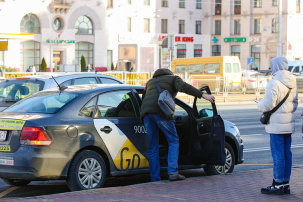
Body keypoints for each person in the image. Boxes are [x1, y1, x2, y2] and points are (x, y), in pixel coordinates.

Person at [140, 68, 215, 182]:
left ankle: (155, 178)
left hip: (146, 115)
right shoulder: (173, 79)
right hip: (161, 113)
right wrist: (203, 95)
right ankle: (173, 172)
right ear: (169, 74)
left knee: (152, 147)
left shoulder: (150, 82)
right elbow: (184, 87)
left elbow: (144, 98)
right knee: (173, 140)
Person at [257, 56, 298, 195]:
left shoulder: (273, 83)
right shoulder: (293, 81)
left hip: (276, 126)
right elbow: (295, 104)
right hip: (288, 124)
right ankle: (286, 183)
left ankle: (278, 184)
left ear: (275, 66)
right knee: (287, 154)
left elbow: (268, 105)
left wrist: (258, 104)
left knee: (278, 155)